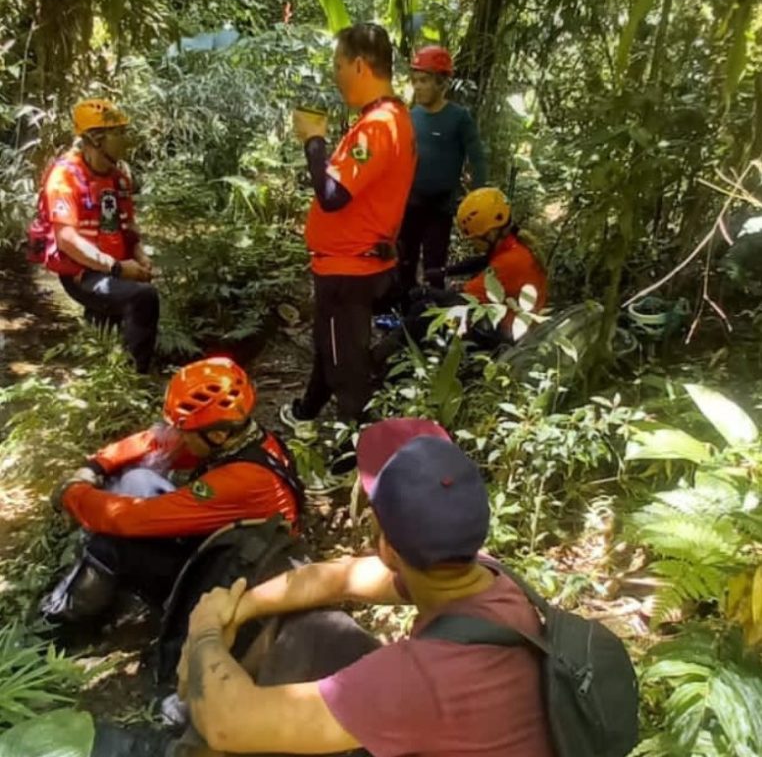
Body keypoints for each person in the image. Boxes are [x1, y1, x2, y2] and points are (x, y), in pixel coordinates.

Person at [176, 417, 553, 756]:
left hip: (429, 707)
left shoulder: (420, 680)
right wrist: (239, 609)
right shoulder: (488, 577)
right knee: (316, 633)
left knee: (239, 721)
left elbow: (231, 724)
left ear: (387, 547)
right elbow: (341, 577)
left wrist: (206, 629)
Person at [41, 356, 303, 628]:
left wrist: (71, 496)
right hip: (225, 546)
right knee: (137, 478)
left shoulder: (240, 481)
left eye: (184, 429)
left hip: (224, 583)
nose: (176, 434)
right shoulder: (248, 440)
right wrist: (95, 466)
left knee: (109, 546)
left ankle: (53, 623)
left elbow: (129, 519)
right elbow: (157, 442)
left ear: (216, 436)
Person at [281, 23, 416, 445]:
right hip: (353, 262)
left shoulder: (379, 125)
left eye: (339, 65)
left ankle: (355, 452)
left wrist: (314, 142)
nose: (335, 74)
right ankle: (306, 410)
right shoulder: (386, 120)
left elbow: (332, 196)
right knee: (333, 345)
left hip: (350, 268)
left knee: (347, 364)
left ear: (360, 64)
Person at [33, 98, 158, 373]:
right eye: (118, 133)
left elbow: (128, 227)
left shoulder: (118, 178)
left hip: (114, 265)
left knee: (108, 322)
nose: (126, 139)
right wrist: (117, 268)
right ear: (96, 139)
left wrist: (140, 255)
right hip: (82, 271)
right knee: (143, 298)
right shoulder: (65, 177)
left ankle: (100, 368)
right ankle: (135, 377)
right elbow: (67, 239)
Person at [374, 186, 548, 367]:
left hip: (506, 339)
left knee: (423, 311)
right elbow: (481, 261)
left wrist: (426, 291)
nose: (474, 243)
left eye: (475, 239)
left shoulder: (509, 262)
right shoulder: (515, 247)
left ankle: (381, 363)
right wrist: (445, 271)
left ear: (489, 233)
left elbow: (461, 299)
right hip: (514, 328)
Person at [396, 46, 487, 305]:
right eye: (415, 81)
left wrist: (479, 195)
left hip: (440, 206)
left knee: (435, 263)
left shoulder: (459, 118)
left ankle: (433, 315)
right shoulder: (411, 117)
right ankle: (405, 310)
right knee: (406, 260)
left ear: (442, 83)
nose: (418, 87)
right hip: (411, 202)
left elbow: (477, 157)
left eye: (424, 80)